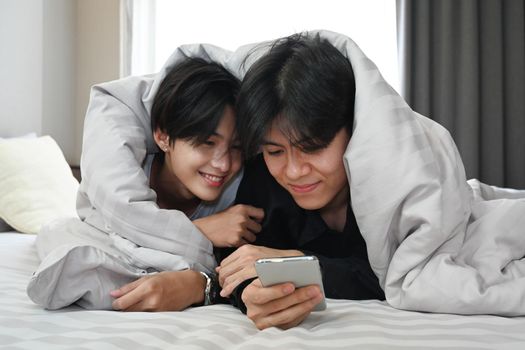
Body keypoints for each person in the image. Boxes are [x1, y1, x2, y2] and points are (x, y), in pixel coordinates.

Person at [28, 57, 264, 311]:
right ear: (163, 136)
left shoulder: (239, 196)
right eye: (207, 142)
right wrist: (200, 231)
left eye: (236, 147)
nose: (223, 164)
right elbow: (106, 228)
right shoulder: (127, 174)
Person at [215, 34, 384, 330]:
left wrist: (296, 263)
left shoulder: (387, 181)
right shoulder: (261, 180)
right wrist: (248, 293)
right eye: (275, 151)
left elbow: (397, 274)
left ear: (353, 131)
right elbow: (234, 262)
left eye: (313, 147)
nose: (293, 171)